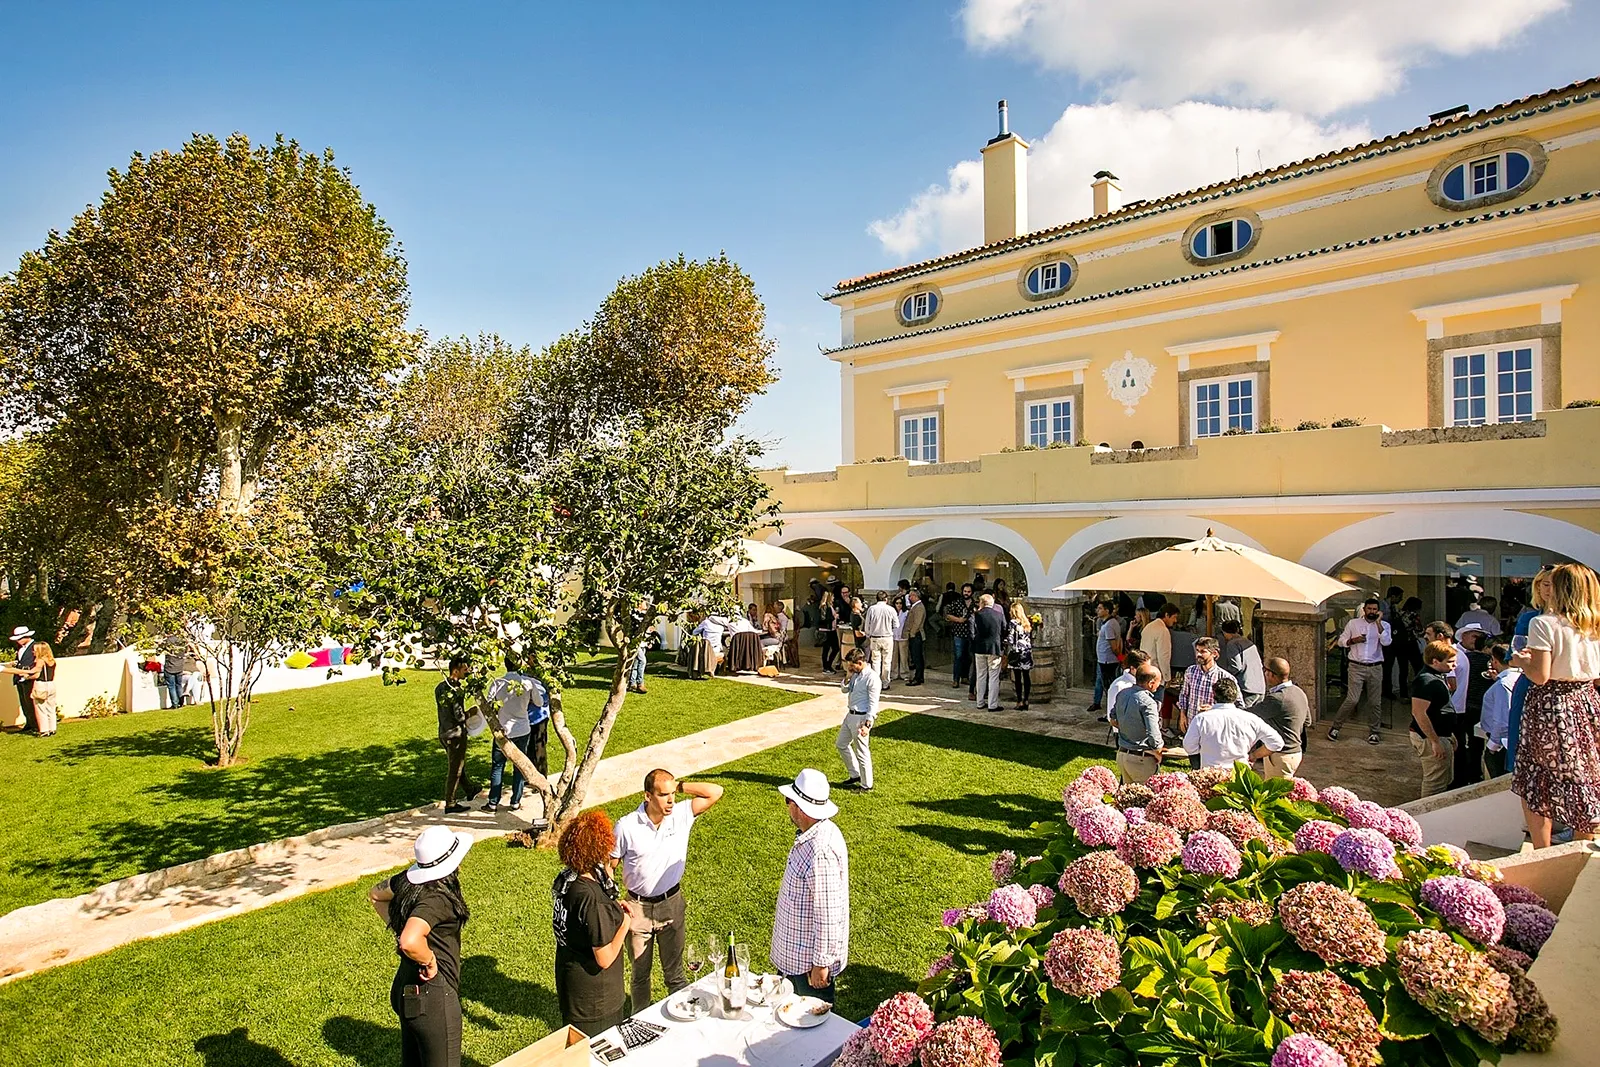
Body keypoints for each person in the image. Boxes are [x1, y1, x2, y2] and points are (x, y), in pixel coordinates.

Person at [612, 769, 723, 1013]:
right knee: (640, 976)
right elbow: (610, 865)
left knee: (675, 974)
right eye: (663, 795)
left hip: (671, 903)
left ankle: (683, 1019)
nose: (671, 800)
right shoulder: (627, 826)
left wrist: (679, 786)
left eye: (673, 794)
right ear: (647, 796)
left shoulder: (681, 814)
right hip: (638, 909)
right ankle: (640, 1021)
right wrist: (614, 902)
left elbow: (715, 792)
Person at [1509, 562, 1600, 848]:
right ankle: (1581, 846)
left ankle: (1541, 851)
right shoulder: (1593, 624)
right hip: (1585, 700)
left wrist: (1520, 661)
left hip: (1551, 705)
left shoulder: (1543, 623)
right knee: (1583, 776)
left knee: (1537, 780)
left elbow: (1540, 675)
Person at [368, 824, 473, 1067]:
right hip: (433, 997)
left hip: (406, 987)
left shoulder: (407, 882)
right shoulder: (438, 898)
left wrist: (399, 928)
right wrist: (429, 960)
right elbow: (410, 941)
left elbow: (375, 894)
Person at [552, 810, 638, 1036]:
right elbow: (605, 957)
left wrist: (612, 908)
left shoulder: (568, 879)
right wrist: (625, 923)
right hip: (596, 1001)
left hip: (572, 987)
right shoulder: (591, 898)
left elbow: (581, 923)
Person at [772, 768, 849, 1004]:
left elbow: (828, 914)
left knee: (811, 1035)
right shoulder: (815, 835)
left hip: (807, 970)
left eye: (789, 801)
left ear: (799, 807)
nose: (788, 807)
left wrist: (820, 965)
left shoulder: (820, 850)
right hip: (798, 961)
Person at [484, 658, 547, 814]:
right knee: (519, 766)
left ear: (505, 664)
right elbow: (539, 703)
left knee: (498, 766)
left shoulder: (498, 682)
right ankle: (515, 802)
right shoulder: (528, 683)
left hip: (502, 730)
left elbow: (487, 704)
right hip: (522, 729)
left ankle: (493, 802)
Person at [1182, 676, 1283, 770]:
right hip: (1240, 775)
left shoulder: (1201, 719)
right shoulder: (1251, 719)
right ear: (1235, 696)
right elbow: (1277, 742)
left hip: (1211, 773)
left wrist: (1203, 753)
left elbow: (1189, 746)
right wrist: (1253, 756)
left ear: (1213, 695)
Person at [1327, 597, 1391, 745]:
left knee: (1375, 702)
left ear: (1378, 611)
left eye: (1375, 609)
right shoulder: (1353, 624)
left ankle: (1374, 732)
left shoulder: (1383, 625)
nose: (1372, 612)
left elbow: (1386, 642)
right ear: (1364, 610)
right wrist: (1352, 641)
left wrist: (1379, 623)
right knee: (1352, 699)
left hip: (1375, 667)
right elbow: (1341, 641)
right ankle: (1336, 727)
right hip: (1356, 666)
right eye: (1369, 609)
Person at [1409, 640, 1460, 798]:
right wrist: (1435, 741)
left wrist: (1448, 735)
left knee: (1444, 778)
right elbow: (1419, 713)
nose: (1454, 666)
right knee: (1434, 784)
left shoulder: (1437, 676)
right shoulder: (1425, 680)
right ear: (1435, 661)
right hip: (1429, 738)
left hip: (1441, 735)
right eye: (1450, 662)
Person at [1449, 624, 1493, 789]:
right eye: (1474, 636)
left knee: (1475, 743)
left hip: (1475, 707)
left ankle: (1472, 774)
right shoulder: (1454, 654)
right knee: (1460, 743)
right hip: (1460, 706)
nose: (1476, 640)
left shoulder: (1485, 660)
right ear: (1464, 636)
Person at [435, 657, 478, 814]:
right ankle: (450, 803)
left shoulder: (440, 687)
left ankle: (469, 789)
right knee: (455, 769)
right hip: (456, 735)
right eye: (464, 670)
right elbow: (459, 716)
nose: (466, 673)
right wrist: (471, 712)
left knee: (457, 763)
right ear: (456, 670)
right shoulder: (456, 690)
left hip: (443, 732)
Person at [1112, 663, 1167, 784]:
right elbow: (1154, 733)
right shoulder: (1148, 702)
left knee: (1128, 799)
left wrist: (1129, 729)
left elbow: (1113, 719)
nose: (1159, 685)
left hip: (1122, 755)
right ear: (1151, 683)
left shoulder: (1122, 694)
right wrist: (1158, 751)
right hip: (1141, 759)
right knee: (1146, 799)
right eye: (1159, 681)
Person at [1256, 658, 1309, 778]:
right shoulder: (1299, 692)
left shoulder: (1277, 698)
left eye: (1265, 670)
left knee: (1274, 794)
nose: (1264, 674)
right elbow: (1308, 721)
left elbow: (1250, 714)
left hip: (1280, 755)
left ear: (1272, 674)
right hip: (1295, 752)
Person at [837, 649, 879, 792]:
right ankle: (855, 774)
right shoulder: (856, 674)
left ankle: (867, 785)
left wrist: (867, 725)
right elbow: (844, 690)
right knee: (841, 744)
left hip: (861, 718)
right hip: (850, 715)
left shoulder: (872, 678)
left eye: (852, 665)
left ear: (860, 663)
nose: (850, 668)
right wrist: (848, 677)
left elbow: (873, 705)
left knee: (862, 751)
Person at [1479, 643, 1519, 780]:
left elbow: (1502, 720)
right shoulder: (1520, 678)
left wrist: (1492, 746)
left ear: (1495, 661)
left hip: (1502, 745)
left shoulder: (1503, 684)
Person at [1175, 637, 1224, 734]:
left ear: (1214, 654)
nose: (1198, 654)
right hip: (1192, 723)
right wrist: (1182, 715)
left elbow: (1236, 705)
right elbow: (1184, 695)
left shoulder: (1223, 677)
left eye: (1203, 651)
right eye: (1197, 651)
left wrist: (1214, 708)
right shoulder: (1190, 671)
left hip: (1212, 726)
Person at [15, 641, 59, 737]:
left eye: (34, 650)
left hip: (41, 685)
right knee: (51, 708)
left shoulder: (40, 660)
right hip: (51, 684)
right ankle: (52, 728)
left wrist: (24, 674)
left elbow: (36, 673)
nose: (33, 652)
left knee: (40, 708)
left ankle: (44, 730)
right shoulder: (52, 660)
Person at [1219, 619, 1266, 708]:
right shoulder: (1249, 642)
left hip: (1246, 688)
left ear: (1225, 632)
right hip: (1260, 687)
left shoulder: (1232, 644)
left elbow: (1235, 667)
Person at [970, 593, 1005, 711]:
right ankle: (992, 704)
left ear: (981, 603)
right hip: (994, 648)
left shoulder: (975, 615)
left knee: (981, 675)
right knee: (994, 677)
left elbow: (971, 632)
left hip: (979, 648)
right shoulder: (999, 615)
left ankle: (980, 702)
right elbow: (1005, 629)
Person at [1088, 601, 1123, 713]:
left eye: (1100, 608)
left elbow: (1114, 645)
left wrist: (1121, 657)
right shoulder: (1108, 623)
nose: (1097, 610)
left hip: (1108, 660)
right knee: (1100, 681)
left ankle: (1111, 710)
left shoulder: (1109, 625)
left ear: (1107, 610)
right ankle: (1097, 702)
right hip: (1103, 659)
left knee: (1109, 686)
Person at [1103, 649, 1150, 725]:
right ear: (1133, 668)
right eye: (1144, 669)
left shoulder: (1143, 682)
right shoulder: (1119, 686)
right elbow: (1111, 717)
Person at [863, 590, 896, 692]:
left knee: (876, 661)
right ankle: (885, 683)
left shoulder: (872, 609)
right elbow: (896, 624)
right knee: (887, 661)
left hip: (875, 638)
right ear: (886, 599)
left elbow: (867, 625)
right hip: (887, 637)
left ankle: (876, 683)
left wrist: (869, 635)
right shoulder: (891, 609)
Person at [944, 583, 974, 694]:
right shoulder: (956, 602)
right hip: (958, 633)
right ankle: (955, 679)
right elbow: (948, 615)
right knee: (958, 656)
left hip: (970, 634)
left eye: (969, 592)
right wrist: (958, 620)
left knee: (968, 657)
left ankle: (965, 677)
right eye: (965, 591)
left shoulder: (974, 604)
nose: (966, 593)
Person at [1005, 601, 1035, 710]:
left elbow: (1011, 638)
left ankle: (1019, 701)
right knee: (1026, 677)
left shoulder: (1013, 623)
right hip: (1026, 652)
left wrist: (1005, 641)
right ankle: (1026, 699)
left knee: (1018, 678)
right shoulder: (1026, 623)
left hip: (1017, 652)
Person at [1140, 602, 1176, 685]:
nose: (1175, 620)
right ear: (1167, 615)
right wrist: (1167, 677)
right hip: (1156, 675)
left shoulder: (1148, 627)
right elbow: (1163, 656)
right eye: (1174, 617)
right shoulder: (1163, 630)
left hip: (1144, 670)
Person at [1381, 585, 1405, 698]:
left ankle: (1388, 689)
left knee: (1389, 666)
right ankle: (1385, 690)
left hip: (1392, 640)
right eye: (1400, 597)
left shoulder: (1393, 608)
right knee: (1386, 667)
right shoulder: (1382, 606)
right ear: (1393, 596)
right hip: (1383, 640)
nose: (1401, 599)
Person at [902, 588, 926, 686]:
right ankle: (919, 676)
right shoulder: (915, 606)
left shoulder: (919, 607)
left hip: (916, 635)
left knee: (917, 657)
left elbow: (917, 622)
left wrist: (912, 633)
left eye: (911, 596)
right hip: (914, 635)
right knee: (916, 657)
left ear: (916, 596)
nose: (910, 597)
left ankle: (918, 677)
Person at [817, 590, 841, 674]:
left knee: (834, 648)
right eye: (833, 597)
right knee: (828, 649)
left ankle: (828, 665)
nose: (834, 599)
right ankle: (826, 667)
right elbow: (824, 619)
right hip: (826, 631)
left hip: (831, 630)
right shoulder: (824, 607)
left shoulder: (830, 606)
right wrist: (834, 617)